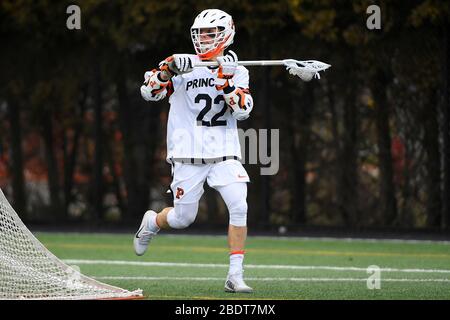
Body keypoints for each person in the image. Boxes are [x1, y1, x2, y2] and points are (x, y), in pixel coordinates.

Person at [135, 9, 254, 293]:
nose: (203, 39)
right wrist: (167, 69)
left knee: (239, 205)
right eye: (200, 34)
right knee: (181, 219)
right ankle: (152, 221)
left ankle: (234, 276)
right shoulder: (182, 66)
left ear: (226, 35)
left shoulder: (238, 70)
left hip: (224, 152)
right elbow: (149, 92)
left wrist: (225, 80)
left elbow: (243, 111)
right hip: (188, 153)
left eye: (209, 33)